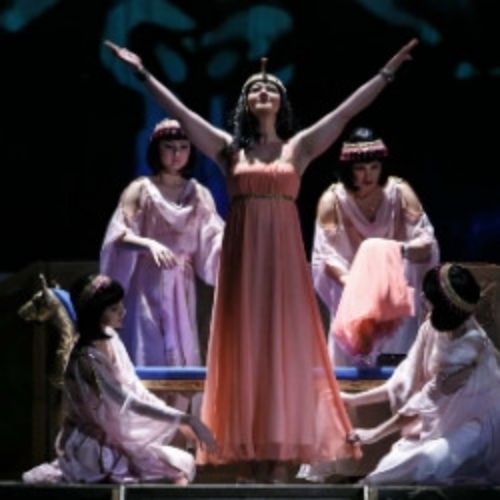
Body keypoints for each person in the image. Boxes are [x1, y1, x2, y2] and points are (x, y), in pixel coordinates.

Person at [104, 36, 418, 482]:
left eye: (270, 87)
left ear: (281, 101)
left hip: (283, 265)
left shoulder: (298, 149)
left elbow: (345, 112)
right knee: (246, 353)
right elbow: (185, 114)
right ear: (246, 103)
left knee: (282, 354)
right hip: (244, 265)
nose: (262, 90)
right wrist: (143, 74)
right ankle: (251, 462)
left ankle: (279, 462)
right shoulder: (228, 150)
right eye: (254, 88)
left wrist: (385, 75)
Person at [22, 273, 217, 485]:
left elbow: (135, 388)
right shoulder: (86, 358)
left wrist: (178, 419)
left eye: (120, 305)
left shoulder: (110, 336)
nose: (123, 311)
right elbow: (126, 401)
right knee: (160, 474)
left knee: (181, 464)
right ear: (96, 312)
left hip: (116, 435)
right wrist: (184, 419)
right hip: (93, 445)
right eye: (114, 309)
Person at [100, 118, 224, 412]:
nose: (177, 154)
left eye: (183, 147)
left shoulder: (198, 194)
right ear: (157, 150)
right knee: (147, 349)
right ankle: (144, 428)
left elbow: (214, 240)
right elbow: (117, 236)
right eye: (169, 147)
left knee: (181, 355)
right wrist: (149, 244)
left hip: (180, 286)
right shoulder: (140, 190)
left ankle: (177, 430)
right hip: (147, 284)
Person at [340, 263, 500, 484]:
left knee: (428, 462)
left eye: (429, 296)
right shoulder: (432, 327)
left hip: (476, 423)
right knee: (394, 464)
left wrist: (374, 434)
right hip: (446, 417)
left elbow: (425, 400)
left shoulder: (466, 349)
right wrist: (353, 400)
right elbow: (404, 379)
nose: (422, 297)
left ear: (444, 307)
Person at [312, 126, 439, 367]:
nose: (367, 175)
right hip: (350, 283)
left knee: (401, 288)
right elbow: (326, 256)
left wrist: (391, 252)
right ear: (349, 169)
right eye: (360, 168)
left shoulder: (400, 193)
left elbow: (426, 243)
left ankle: (400, 372)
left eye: (374, 167)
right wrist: (356, 284)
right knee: (353, 309)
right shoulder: (333, 200)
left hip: (395, 281)